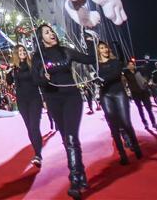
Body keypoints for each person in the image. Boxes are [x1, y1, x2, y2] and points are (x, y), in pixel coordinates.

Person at [32, 24, 97, 199]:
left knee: (70, 138)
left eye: (52, 31)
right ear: (41, 38)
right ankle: (81, 173)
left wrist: (89, 40)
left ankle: (75, 179)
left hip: (72, 98)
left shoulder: (66, 51)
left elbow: (91, 58)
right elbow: (35, 80)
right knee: (66, 138)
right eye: (47, 32)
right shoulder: (38, 57)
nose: (52, 33)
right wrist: (42, 78)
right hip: (54, 100)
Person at [96, 42, 141, 165]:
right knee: (113, 125)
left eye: (105, 47)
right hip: (106, 96)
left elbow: (116, 73)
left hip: (119, 93)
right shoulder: (96, 65)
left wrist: (118, 46)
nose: (104, 49)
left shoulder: (115, 62)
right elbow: (97, 77)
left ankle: (135, 145)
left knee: (126, 122)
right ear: (98, 51)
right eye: (101, 48)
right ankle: (122, 154)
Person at [6, 44, 44, 168]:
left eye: (23, 50)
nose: (22, 52)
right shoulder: (14, 68)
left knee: (34, 127)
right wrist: (8, 72)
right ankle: (36, 151)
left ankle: (38, 155)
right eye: (19, 51)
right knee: (29, 128)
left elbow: (38, 80)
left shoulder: (31, 64)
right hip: (22, 101)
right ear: (16, 54)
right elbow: (9, 82)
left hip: (34, 99)